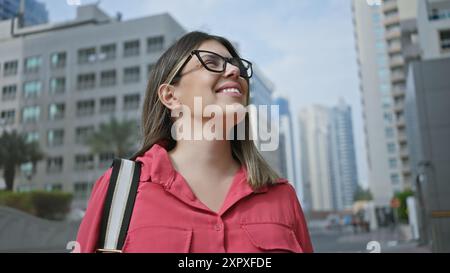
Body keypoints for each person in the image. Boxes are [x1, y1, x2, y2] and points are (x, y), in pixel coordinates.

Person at [76, 31, 313, 253]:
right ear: (170, 96)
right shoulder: (119, 189)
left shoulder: (282, 196)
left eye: (237, 65)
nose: (233, 70)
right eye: (212, 62)